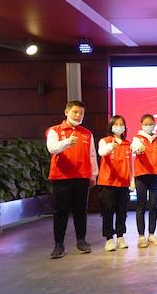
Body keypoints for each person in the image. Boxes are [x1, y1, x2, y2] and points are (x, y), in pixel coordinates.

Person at [46, 100, 98, 259]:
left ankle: (81, 241)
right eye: (75, 112)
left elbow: (92, 155)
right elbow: (52, 148)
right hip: (61, 176)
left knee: (80, 210)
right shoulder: (55, 130)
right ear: (66, 112)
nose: (78, 115)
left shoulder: (87, 133)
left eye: (81, 113)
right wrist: (67, 142)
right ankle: (59, 245)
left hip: (82, 176)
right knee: (60, 211)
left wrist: (93, 174)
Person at [131, 114, 157, 248]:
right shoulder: (138, 138)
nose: (148, 126)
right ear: (141, 125)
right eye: (146, 124)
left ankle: (152, 234)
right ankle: (141, 236)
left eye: (150, 124)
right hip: (141, 175)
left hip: (155, 175)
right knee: (141, 206)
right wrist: (138, 149)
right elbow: (134, 147)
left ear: (154, 125)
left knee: (153, 205)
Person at [97, 115, 131, 252]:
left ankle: (120, 236)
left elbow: (130, 164)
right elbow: (101, 152)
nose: (119, 127)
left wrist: (131, 181)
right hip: (108, 183)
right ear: (111, 126)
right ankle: (109, 238)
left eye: (121, 124)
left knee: (122, 211)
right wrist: (110, 147)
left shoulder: (127, 144)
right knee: (108, 211)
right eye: (116, 124)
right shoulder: (104, 141)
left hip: (123, 183)